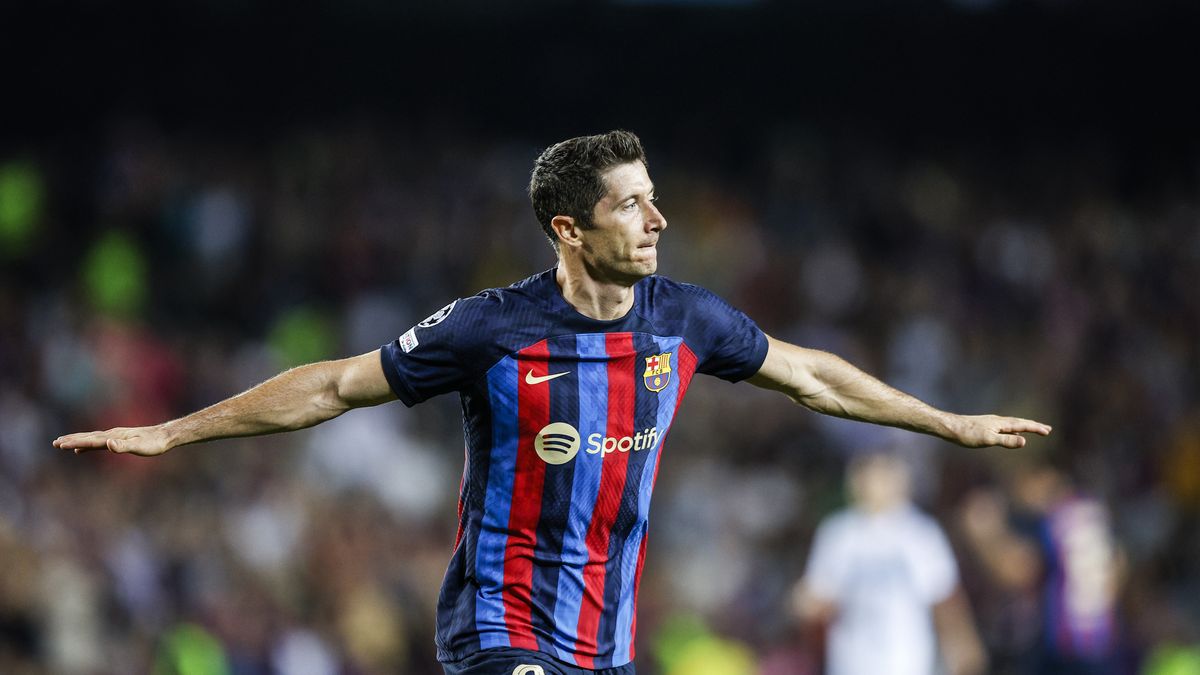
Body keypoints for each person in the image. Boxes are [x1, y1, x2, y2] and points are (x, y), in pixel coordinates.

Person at [54, 130, 1052, 675]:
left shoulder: (684, 319)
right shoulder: (491, 327)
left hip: (603, 645)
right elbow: (329, 385)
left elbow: (813, 373)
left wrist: (945, 421)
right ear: (569, 229)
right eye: (632, 203)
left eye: (656, 196)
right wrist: (174, 430)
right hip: (500, 629)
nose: (660, 218)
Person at [792, 450, 987, 675]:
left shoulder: (921, 532)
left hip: (907, 662)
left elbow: (943, 596)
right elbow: (819, 594)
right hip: (852, 663)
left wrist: (963, 648)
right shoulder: (838, 532)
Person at [959, 462, 1123, 675]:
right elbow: (1119, 562)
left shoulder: (1053, 518)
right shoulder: (1092, 508)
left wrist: (985, 537)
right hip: (1101, 643)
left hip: (1062, 650)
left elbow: (1019, 571)